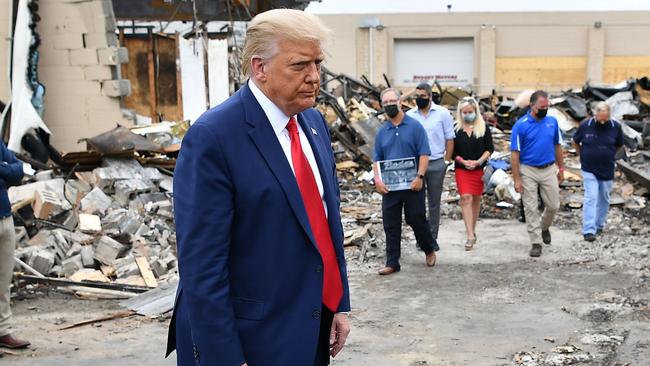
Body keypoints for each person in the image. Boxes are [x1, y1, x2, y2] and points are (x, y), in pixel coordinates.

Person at [167, 9, 350, 366]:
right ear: (260, 67)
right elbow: (202, 267)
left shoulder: (312, 123)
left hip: (311, 326)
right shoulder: (214, 137)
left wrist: (339, 303)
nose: (315, 77)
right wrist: (225, 358)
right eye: (300, 65)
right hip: (250, 340)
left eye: (318, 63)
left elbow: (326, 223)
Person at [374, 88, 436, 275]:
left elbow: (424, 154)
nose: (390, 105)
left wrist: (420, 177)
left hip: (412, 184)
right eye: (386, 103)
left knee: (416, 218)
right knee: (390, 223)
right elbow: (376, 159)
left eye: (393, 101)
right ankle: (392, 262)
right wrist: (378, 180)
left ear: (401, 102)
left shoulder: (415, 126)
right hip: (390, 187)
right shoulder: (381, 132)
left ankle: (428, 248)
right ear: (382, 106)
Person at [511, 90, 565, 258]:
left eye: (547, 106)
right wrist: (517, 178)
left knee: (554, 205)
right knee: (530, 207)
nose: (545, 109)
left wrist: (561, 168)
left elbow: (557, 146)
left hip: (548, 168)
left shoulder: (552, 122)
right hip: (528, 170)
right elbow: (515, 154)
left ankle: (544, 226)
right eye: (542, 106)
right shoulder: (521, 125)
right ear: (532, 106)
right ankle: (536, 242)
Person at [406, 82, 455, 253]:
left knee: (434, 203)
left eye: (423, 97)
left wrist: (446, 161)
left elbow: (450, 138)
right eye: (417, 96)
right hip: (416, 165)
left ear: (430, 96)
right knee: (417, 205)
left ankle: (432, 239)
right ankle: (422, 238)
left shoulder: (442, 114)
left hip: (435, 163)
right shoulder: (410, 115)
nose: (419, 99)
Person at [572, 102, 623, 241]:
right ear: (595, 115)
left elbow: (619, 145)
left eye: (605, 119)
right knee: (591, 197)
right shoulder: (585, 126)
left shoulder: (615, 127)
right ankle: (588, 230)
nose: (602, 121)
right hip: (589, 167)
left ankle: (599, 224)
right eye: (600, 118)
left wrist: (610, 155)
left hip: (607, 168)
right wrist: (582, 155)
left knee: (604, 198)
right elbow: (575, 141)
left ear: (609, 116)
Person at [450, 97, 494, 251]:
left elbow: (489, 148)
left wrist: (478, 162)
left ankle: (473, 230)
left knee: (476, 198)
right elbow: (452, 152)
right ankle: (469, 234)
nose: (467, 114)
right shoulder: (456, 129)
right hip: (462, 169)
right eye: (464, 112)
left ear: (476, 111)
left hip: (478, 169)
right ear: (460, 113)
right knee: (465, 197)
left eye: (470, 112)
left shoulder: (483, 128)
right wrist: (463, 161)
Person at [0, 141, 29, 349]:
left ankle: (3, 330)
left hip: (5, 217)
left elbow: (18, 171)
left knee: (3, 280)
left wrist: (3, 168)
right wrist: (4, 170)